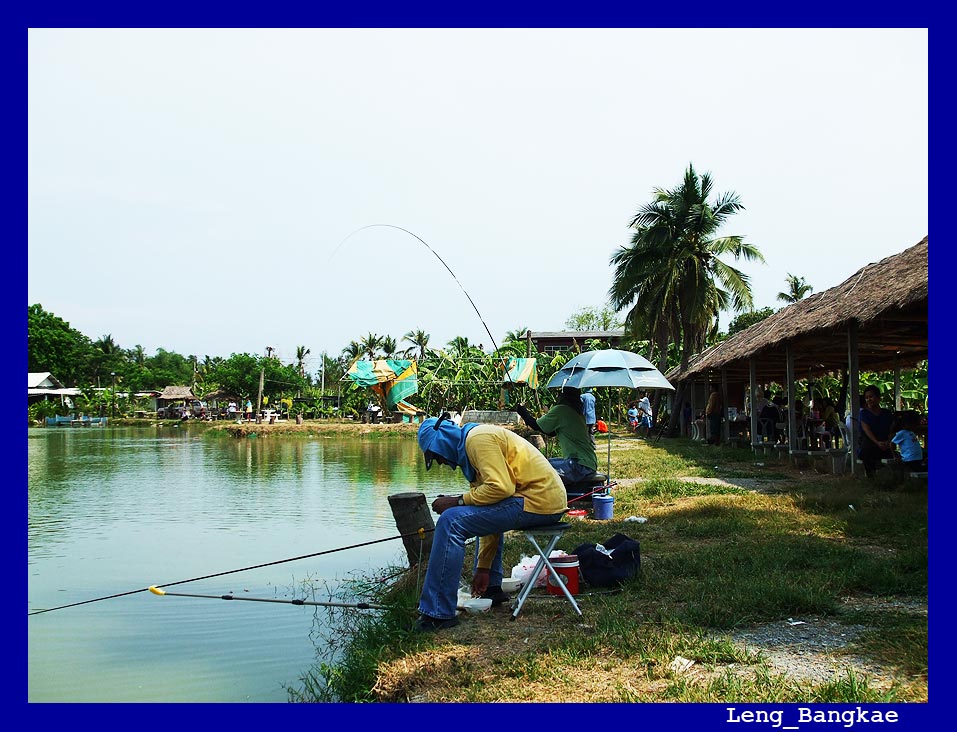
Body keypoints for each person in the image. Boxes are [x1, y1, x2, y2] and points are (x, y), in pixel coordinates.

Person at [414, 415, 568, 631]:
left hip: (538, 500)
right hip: (542, 501)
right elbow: (490, 504)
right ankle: (492, 589)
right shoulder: (472, 449)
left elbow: (501, 488)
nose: (441, 463)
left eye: (435, 455)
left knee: (451, 521)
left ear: (443, 439)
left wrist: (457, 501)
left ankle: (437, 613)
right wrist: (483, 568)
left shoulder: (477, 439)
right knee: (467, 512)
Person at [515, 388, 599, 484]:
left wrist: (524, 413)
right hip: (587, 462)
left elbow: (536, 426)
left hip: (579, 465)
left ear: (563, 395)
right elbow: (550, 432)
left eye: (559, 393)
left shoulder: (561, 410)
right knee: (543, 462)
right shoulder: (576, 412)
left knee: (536, 468)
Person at [858, 385, 895, 477]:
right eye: (866, 398)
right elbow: (867, 430)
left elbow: (892, 429)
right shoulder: (864, 413)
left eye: (871, 396)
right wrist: (877, 442)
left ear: (878, 398)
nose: (869, 399)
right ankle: (871, 477)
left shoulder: (887, 413)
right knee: (867, 451)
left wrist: (888, 441)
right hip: (870, 443)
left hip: (885, 443)